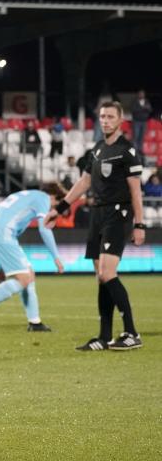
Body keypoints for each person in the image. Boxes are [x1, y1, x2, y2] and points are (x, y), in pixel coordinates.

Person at [45, 101, 146, 351]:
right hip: (98, 216)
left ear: (121, 120)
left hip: (118, 214)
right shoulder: (99, 149)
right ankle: (103, 337)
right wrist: (59, 209)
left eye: (111, 116)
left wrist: (140, 223)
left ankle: (132, 332)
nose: (105, 121)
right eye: (102, 116)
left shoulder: (127, 150)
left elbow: (136, 191)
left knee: (107, 273)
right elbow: (84, 182)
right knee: (101, 279)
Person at [0, 184, 66, 333]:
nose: (53, 210)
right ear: (54, 197)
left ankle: (35, 322)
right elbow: (44, 228)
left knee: (29, 275)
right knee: (24, 278)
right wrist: (56, 257)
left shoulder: (26, 195)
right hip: (2, 235)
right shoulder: (43, 198)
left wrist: (3, 266)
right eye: (56, 206)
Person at [129, 90, 152, 154]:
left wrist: (145, 108)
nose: (141, 95)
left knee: (141, 136)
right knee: (135, 136)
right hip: (136, 121)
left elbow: (150, 109)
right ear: (138, 94)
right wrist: (143, 108)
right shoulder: (135, 101)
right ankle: (134, 150)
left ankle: (140, 149)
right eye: (140, 94)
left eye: (142, 94)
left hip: (144, 121)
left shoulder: (146, 101)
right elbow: (133, 110)